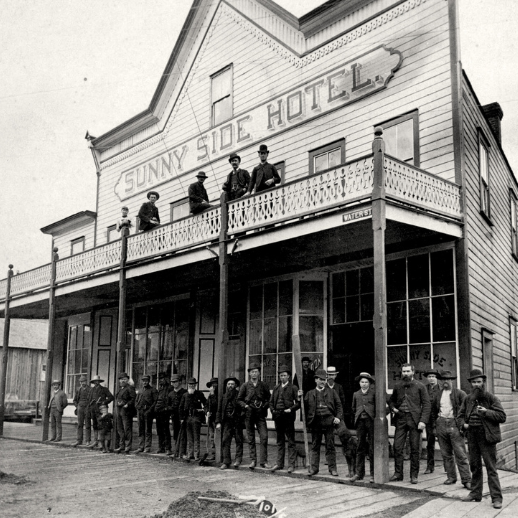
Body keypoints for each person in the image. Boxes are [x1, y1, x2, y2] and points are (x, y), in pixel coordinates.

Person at [459, 369, 506, 509]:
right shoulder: (467, 399)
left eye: (479, 382)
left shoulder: (491, 398)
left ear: (483, 382)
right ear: (470, 384)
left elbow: (502, 416)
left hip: (487, 437)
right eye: (474, 382)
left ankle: (496, 498)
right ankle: (475, 493)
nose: (476, 385)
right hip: (472, 435)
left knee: (491, 468)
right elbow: (460, 416)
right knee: (474, 466)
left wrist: (486, 412)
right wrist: (463, 424)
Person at [389, 363, 431, 484]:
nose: (406, 374)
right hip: (401, 419)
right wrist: (393, 408)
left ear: (413, 372)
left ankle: (414, 475)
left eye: (408, 371)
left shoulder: (420, 386)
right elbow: (391, 400)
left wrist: (423, 421)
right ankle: (398, 474)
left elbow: (427, 404)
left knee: (414, 448)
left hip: (415, 420)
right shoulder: (398, 386)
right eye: (404, 371)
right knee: (397, 447)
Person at [430, 370, 471, 490]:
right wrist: (434, 425)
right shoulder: (438, 394)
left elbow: (467, 410)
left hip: (455, 424)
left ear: (452, 380)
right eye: (443, 380)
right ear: (440, 381)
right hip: (441, 423)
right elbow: (433, 412)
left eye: (448, 379)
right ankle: (451, 477)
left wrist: (463, 425)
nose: (445, 382)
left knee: (460, 453)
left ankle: (467, 480)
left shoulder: (460, 393)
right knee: (446, 453)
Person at [304, 369, 343, 477]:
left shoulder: (332, 392)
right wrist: (299, 397)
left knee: (330, 445)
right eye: (320, 379)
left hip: (329, 421)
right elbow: (304, 408)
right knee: (315, 445)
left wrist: (338, 417)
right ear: (315, 380)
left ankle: (332, 469)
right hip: (315, 422)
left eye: (324, 380)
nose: (322, 382)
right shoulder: (309, 393)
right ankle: (314, 469)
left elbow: (339, 406)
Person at [238, 362, 271, 469]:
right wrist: (246, 406)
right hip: (249, 415)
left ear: (259, 373)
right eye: (252, 372)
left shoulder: (264, 385)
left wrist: (264, 406)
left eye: (256, 372)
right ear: (249, 374)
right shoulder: (245, 385)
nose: (254, 374)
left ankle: (263, 461)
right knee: (251, 438)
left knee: (264, 437)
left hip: (260, 415)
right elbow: (239, 400)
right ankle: (253, 460)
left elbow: (269, 399)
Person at [269, 365, 301, 473]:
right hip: (278, 417)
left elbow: (298, 403)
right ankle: (279, 463)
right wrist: (273, 410)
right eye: (281, 375)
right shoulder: (276, 388)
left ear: (288, 376)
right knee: (280, 441)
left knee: (291, 441)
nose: (282, 377)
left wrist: (290, 409)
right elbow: (271, 401)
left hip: (288, 417)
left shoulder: (293, 388)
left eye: (284, 375)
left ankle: (291, 465)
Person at [350, 372, 376, 483]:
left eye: (366, 382)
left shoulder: (374, 393)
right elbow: (353, 408)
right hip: (360, 422)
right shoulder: (356, 394)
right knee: (360, 447)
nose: (364, 384)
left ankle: (373, 474)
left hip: (370, 422)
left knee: (371, 447)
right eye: (362, 382)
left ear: (369, 383)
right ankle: (359, 473)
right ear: (359, 383)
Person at [216, 376, 244, 470]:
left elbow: (243, 408)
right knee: (225, 440)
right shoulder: (223, 396)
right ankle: (226, 461)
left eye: (232, 384)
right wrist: (218, 422)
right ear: (226, 386)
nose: (230, 386)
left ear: (235, 385)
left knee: (239, 440)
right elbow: (219, 410)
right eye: (229, 384)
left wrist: (241, 418)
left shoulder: (239, 395)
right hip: (226, 422)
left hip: (236, 421)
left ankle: (238, 460)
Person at [326, 366, 352, 462]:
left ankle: (346, 455)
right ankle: (330, 460)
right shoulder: (324, 387)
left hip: (338, 415)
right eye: (329, 375)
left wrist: (338, 416)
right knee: (329, 439)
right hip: (328, 417)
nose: (331, 377)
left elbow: (342, 401)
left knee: (344, 434)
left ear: (336, 376)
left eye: (333, 375)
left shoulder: (339, 387)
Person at [179, 377, 207, 460]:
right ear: (188, 385)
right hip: (187, 418)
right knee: (189, 437)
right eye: (190, 384)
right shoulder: (185, 395)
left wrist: (204, 411)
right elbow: (181, 407)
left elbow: (205, 404)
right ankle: (190, 454)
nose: (191, 386)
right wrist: (181, 418)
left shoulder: (199, 394)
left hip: (196, 418)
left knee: (196, 437)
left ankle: (196, 455)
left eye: (193, 384)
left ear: (195, 385)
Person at [87, 375, 114, 449]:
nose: (96, 382)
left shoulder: (104, 389)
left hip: (101, 410)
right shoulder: (91, 390)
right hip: (93, 409)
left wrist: (104, 402)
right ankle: (95, 441)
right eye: (95, 381)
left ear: (99, 382)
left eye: (97, 381)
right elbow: (89, 399)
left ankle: (101, 443)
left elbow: (111, 397)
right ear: (93, 382)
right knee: (95, 425)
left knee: (102, 425)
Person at [423, 368, 441, 474]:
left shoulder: (442, 389)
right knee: (430, 442)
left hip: (440, 418)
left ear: (437, 378)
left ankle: (448, 467)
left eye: (433, 377)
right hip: (429, 419)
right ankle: (430, 466)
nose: (431, 379)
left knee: (445, 442)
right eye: (429, 377)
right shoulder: (424, 389)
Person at [134, 374, 158, 453]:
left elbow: (155, 402)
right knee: (140, 429)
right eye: (143, 381)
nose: (145, 382)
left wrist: (149, 410)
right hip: (140, 411)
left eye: (146, 381)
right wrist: (137, 406)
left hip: (148, 412)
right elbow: (136, 400)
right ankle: (141, 446)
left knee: (148, 430)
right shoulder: (140, 390)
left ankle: (147, 447)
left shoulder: (153, 390)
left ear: (149, 381)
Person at [114, 372, 136, 454]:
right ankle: (121, 445)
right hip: (119, 410)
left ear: (127, 380)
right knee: (120, 429)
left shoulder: (130, 388)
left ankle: (128, 446)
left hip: (126, 411)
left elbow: (134, 398)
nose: (122, 381)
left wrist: (127, 404)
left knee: (127, 428)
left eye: (124, 379)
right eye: (121, 379)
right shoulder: (120, 389)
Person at [168, 374, 187, 457]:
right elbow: (168, 405)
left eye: (175, 382)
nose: (174, 384)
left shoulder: (184, 392)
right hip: (174, 417)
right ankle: (177, 450)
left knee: (183, 434)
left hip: (183, 417)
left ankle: (182, 452)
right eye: (172, 382)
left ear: (180, 382)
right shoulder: (170, 394)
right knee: (176, 433)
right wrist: (170, 408)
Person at [155, 373, 173, 454]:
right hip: (159, 412)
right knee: (159, 430)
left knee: (166, 430)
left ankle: (168, 448)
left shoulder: (170, 388)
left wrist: (167, 409)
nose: (161, 380)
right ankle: (161, 447)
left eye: (163, 378)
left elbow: (169, 400)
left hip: (165, 412)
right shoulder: (160, 389)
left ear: (167, 379)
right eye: (160, 378)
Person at [73, 375, 91, 447]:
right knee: (80, 424)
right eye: (81, 382)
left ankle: (87, 440)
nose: (82, 383)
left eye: (84, 381)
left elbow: (92, 400)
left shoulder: (90, 389)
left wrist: (89, 407)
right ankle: (79, 440)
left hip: (87, 408)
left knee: (87, 425)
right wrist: (77, 406)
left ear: (86, 382)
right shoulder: (78, 390)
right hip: (80, 408)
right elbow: (75, 400)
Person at [204, 377, 218, 461]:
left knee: (217, 437)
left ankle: (218, 454)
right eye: (212, 385)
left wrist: (212, 394)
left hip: (217, 419)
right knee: (211, 437)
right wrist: (207, 412)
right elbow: (206, 405)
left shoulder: (219, 394)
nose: (213, 387)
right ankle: (213, 454)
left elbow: (216, 405)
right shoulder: (210, 395)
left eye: (215, 385)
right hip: (211, 419)